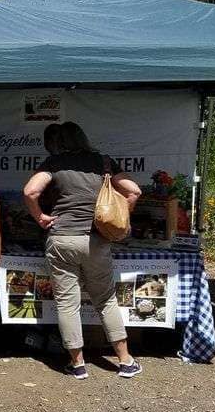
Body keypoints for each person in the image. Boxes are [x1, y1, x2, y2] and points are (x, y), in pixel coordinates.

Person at [22, 121, 142, 380]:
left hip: (61, 238)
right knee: (106, 300)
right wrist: (120, 215)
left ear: (59, 142)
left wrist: (40, 217)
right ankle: (125, 361)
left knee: (67, 303)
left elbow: (30, 191)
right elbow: (134, 191)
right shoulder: (104, 162)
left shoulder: (54, 163)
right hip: (96, 240)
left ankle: (78, 365)